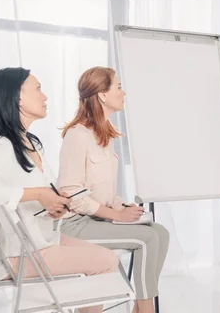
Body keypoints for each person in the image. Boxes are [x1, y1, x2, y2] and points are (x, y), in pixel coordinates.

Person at [0, 68, 118, 313]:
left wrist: (54, 204)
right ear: (17, 98)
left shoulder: (29, 143)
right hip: (12, 255)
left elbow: (44, 194)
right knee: (106, 262)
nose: (45, 97)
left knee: (107, 258)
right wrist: (38, 194)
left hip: (38, 240)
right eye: (38, 89)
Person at [58, 67, 169, 313]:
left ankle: (139, 309)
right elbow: (71, 192)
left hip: (97, 219)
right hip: (75, 225)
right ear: (102, 95)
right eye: (118, 87)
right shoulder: (77, 135)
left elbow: (105, 191)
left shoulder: (104, 135)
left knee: (160, 232)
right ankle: (145, 309)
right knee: (148, 238)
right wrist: (116, 216)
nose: (123, 92)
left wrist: (122, 207)